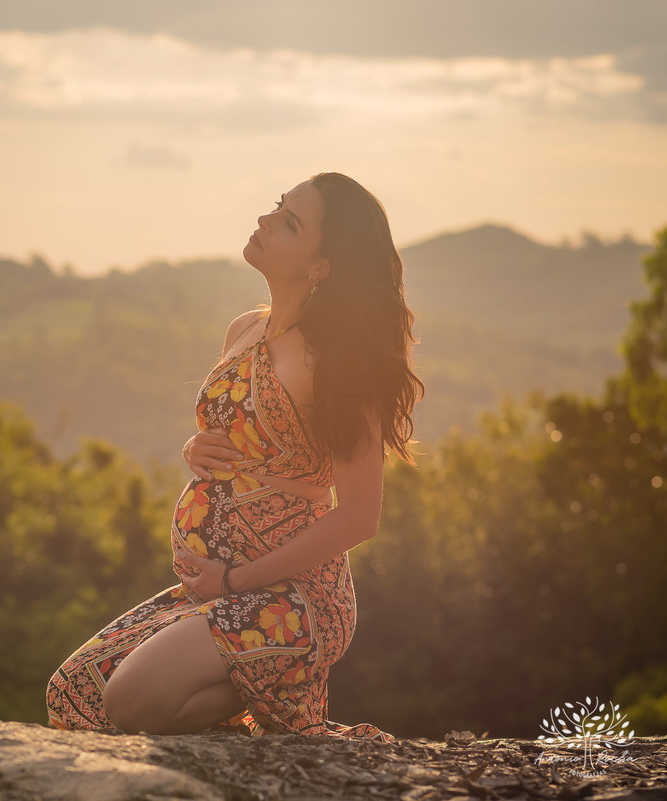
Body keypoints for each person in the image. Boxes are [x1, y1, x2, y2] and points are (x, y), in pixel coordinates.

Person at [45, 172, 423, 740]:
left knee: (129, 701)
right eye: (277, 207)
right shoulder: (245, 330)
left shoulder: (340, 364)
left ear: (322, 265)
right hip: (219, 587)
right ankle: (258, 686)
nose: (265, 220)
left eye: (290, 223)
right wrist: (196, 447)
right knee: (72, 692)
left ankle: (281, 688)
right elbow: (247, 438)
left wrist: (233, 579)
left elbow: (358, 516)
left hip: (294, 597)